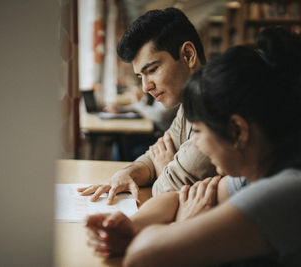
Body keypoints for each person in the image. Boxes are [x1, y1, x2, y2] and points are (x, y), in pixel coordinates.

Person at [85, 27, 301, 266]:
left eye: (198, 132)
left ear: (238, 131)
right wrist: (131, 227)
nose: (194, 143)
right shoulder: (251, 175)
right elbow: (175, 199)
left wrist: (183, 223)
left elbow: (141, 256)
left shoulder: (286, 191)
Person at [78, 7, 216, 204]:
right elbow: (154, 156)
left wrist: (164, 168)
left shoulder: (214, 108)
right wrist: (126, 174)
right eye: (140, 76)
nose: (145, 87)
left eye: (152, 70)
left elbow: (167, 191)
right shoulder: (190, 100)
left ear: (188, 54)